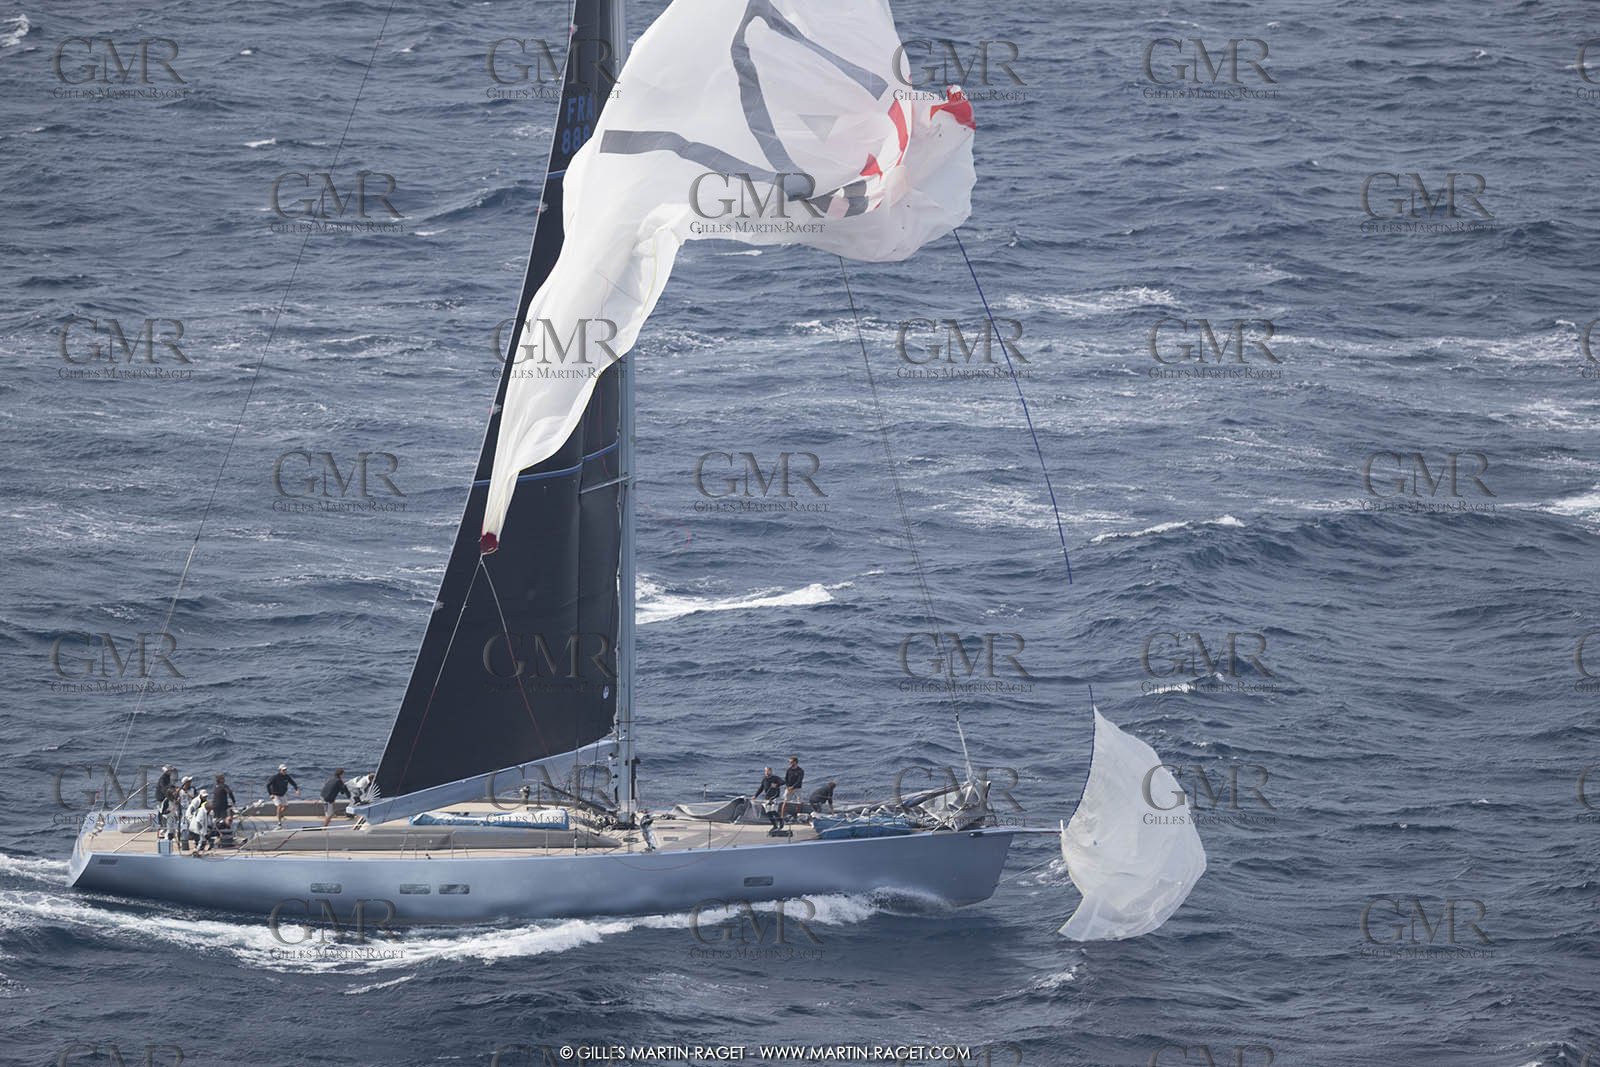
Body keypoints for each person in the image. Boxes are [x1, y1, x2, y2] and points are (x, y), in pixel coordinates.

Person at [751, 766, 785, 832]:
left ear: (771, 771)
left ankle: (781, 821)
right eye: (765, 771)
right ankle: (774, 825)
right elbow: (761, 788)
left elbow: (783, 782)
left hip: (775, 797)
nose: (766, 772)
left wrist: (776, 784)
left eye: (768, 771)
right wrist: (755, 796)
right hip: (767, 798)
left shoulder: (775, 778)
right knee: (768, 812)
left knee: (773, 811)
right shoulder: (764, 779)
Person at [176, 776, 197, 851]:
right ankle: (183, 842)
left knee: (193, 825)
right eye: (188, 782)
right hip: (183, 811)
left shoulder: (193, 789)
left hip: (191, 810)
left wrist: (189, 796)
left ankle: (195, 841)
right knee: (183, 826)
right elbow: (175, 801)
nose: (190, 783)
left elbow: (196, 798)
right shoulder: (179, 791)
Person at [781, 755, 805, 822]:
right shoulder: (789, 770)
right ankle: (782, 817)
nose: (790, 763)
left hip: (797, 788)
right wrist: (788, 786)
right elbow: (786, 778)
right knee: (785, 802)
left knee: (799, 802)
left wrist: (793, 787)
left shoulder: (800, 771)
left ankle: (798, 816)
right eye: (790, 762)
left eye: (791, 762)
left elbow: (799, 780)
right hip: (789, 788)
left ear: (795, 762)